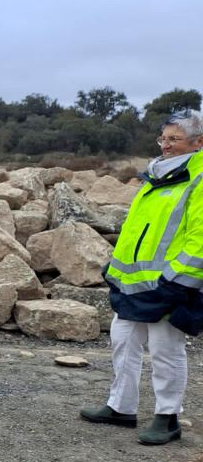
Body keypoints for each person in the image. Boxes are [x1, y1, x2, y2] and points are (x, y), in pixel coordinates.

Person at [81, 110, 203, 444]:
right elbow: (137, 231)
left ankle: (168, 417)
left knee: (166, 349)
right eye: (163, 138)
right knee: (123, 338)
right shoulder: (158, 176)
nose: (165, 145)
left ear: (198, 142)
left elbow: (199, 237)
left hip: (171, 283)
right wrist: (115, 270)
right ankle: (121, 407)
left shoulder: (198, 178)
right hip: (136, 284)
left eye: (174, 139)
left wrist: (178, 280)